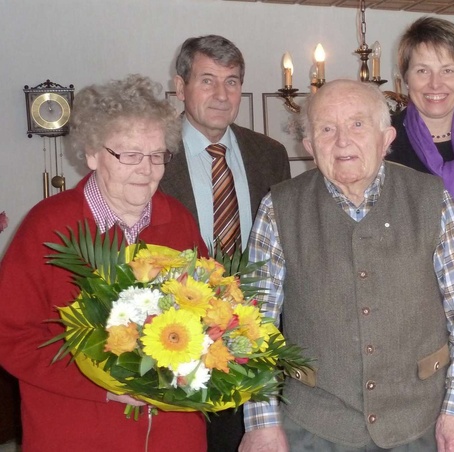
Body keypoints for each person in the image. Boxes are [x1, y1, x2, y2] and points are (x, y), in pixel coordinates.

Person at [239, 79, 454, 452]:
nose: (342, 141)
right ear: (310, 146)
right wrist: (261, 422)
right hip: (313, 427)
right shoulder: (279, 207)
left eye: (358, 124)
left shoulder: (431, 198)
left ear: (386, 137)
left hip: (420, 422)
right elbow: (252, 325)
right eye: (327, 129)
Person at [0, 75, 207, 451]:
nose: (146, 169)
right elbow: (11, 338)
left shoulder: (178, 221)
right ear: (93, 154)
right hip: (77, 434)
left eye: (157, 154)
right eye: (129, 154)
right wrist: (106, 386)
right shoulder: (48, 228)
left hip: (173, 437)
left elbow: (209, 312)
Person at [158, 35, 291, 451]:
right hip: (177, 337)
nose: (221, 94)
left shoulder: (270, 153)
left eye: (232, 82)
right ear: (180, 88)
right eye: (207, 80)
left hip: (257, 333)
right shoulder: (154, 155)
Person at [385, 17, 454, 452]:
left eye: (448, 69)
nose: (436, 83)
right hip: (406, 331)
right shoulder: (382, 147)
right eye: (422, 70)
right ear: (404, 78)